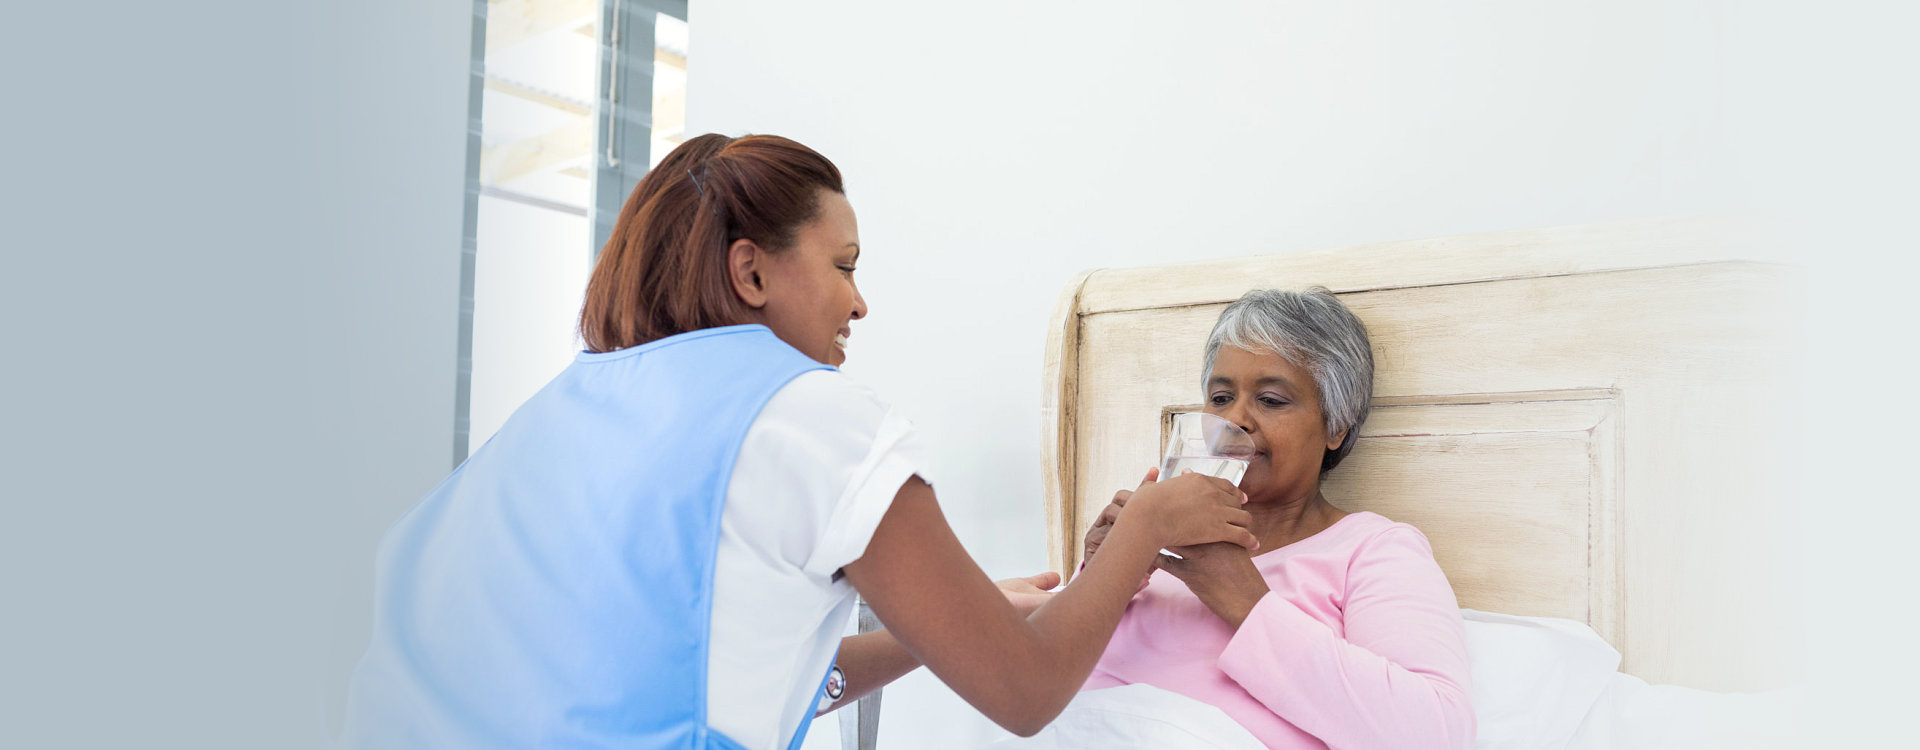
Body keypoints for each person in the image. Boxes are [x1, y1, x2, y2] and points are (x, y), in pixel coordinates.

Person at [336, 133, 1258, 750]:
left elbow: (743, 671)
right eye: (845, 266)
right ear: (750, 271)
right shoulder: (811, 415)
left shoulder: (556, 415)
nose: (860, 302)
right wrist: (1147, 525)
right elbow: (1024, 696)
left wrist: (944, 626)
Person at [1078, 288, 1476, 749]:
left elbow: (1436, 734)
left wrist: (1243, 599)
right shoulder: (1153, 546)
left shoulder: (1372, 549)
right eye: (1221, 397)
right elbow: (1038, 688)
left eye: (1270, 400)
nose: (1237, 419)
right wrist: (1101, 577)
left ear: (1335, 425)